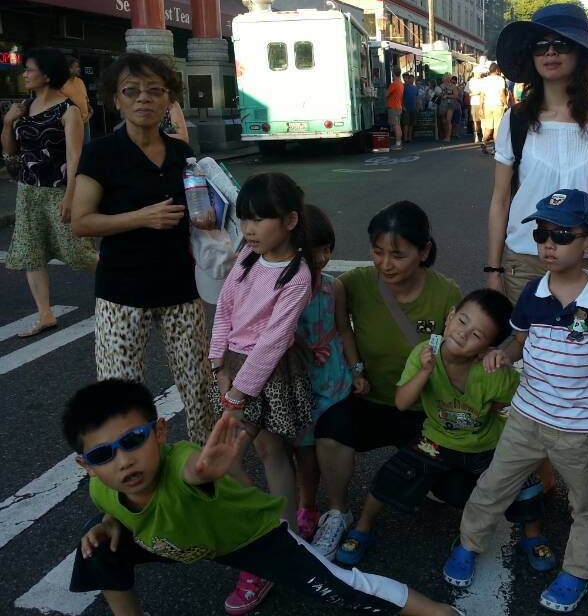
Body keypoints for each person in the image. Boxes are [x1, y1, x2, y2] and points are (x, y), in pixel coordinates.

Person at [64, 380, 463, 616]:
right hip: (184, 537)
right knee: (95, 545)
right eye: (103, 455)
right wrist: (109, 522)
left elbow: (191, 471)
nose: (124, 461)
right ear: (86, 466)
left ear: (160, 432)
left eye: (134, 440)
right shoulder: (103, 488)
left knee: (341, 588)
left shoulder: (182, 461)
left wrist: (202, 471)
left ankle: (438, 611)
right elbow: (108, 503)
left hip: (252, 538)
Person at [443, 189, 588, 614]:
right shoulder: (533, 293)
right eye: (542, 233)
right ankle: (468, 543)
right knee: (494, 485)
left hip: (575, 431)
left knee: (587, 506)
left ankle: (577, 572)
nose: (549, 243)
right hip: (525, 418)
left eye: (563, 235)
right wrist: (503, 354)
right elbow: (518, 341)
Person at [334, 289, 552, 573]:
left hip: (486, 445)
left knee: (525, 482)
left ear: (487, 349)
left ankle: (533, 535)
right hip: (436, 439)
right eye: (462, 321)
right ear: (450, 317)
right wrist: (425, 371)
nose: (463, 333)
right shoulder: (425, 353)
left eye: (476, 335)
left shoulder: (494, 372)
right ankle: (363, 528)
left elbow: (516, 401)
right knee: (393, 473)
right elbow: (401, 402)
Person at [71, 52, 215, 445]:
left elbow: (198, 210)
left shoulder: (181, 153)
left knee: (199, 386)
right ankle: (130, 473)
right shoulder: (101, 154)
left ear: (168, 99)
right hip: (122, 290)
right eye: (131, 91)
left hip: (181, 286)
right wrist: (141, 217)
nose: (143, 99)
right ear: (115, 99)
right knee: (119, 394)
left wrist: (209, 218)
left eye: (154, 90)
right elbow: (81, 222)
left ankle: (206, 465)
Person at [311, 201, 462, 559]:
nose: (385, 263)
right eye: (377, 252)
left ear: (424, 251)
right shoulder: (356, 283)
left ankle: (427, 474)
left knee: (454, 491)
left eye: (398, 254)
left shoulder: (446, 293)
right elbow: (326, 311)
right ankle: (338, 512)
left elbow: (456, 356)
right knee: (331, 428)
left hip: (422, 408)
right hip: (369, 400)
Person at [207, 172, 317, 612]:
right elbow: (224, 309)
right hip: (234, 369)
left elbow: (273, 341)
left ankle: (273, 541)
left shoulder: (298, 275)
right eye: (244, 219)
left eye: (259, 219)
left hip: (267, 373)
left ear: (290, 221)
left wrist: (237, 394)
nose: (248, 229)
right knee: (255, 453)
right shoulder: (247, 257)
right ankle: (275, 527)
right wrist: (218, 363)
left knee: (241, 455)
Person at [484, 2, 588, 304]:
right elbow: (501, 199)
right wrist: (493, 269)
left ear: (580, 53)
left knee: (583, 337)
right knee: (521, 336)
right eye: (540, 46)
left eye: (562, 44)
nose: (550, 53)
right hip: (525, 262)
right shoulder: (516, 120)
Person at [2, 48, 98, 338]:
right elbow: (10, 150)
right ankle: (45, 314)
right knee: (31, 252)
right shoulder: (24, 107)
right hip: (28, 191)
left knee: (79, 252)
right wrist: (7, 122)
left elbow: (75, 158)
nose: (25, 74)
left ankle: (128, 282)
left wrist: (71, 197)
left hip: (59, 190)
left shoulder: (68, 111)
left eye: (29, 69)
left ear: (46, 75)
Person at [291, 205, 354, 543]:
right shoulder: (285, 289)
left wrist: (356, 368)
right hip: (299, 375)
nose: (323, 258)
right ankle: (306, 503)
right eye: (314, 251)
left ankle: (335, 503)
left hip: (332, 373)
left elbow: (344, 329)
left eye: (327, 249)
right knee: (303, 446)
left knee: (329, 436)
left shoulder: (334, 288)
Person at [61, 57, 93, 144]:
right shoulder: (61, 84)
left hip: (85, 120)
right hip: (72, 123)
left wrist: (90, 108)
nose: (79, 69)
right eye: (76, 67)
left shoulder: (80, 81)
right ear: (69, 68)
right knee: (75, 147)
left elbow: (85, 97)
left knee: (87, 146)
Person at [478, 63, 508, 155]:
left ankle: (484, 142)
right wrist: (505, 104)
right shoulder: (500, 79)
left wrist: (480, 107)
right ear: (496, 70)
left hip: (487, 105)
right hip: (498, 105)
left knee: (488, 127)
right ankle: (495, 148)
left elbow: (482, 95)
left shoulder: (484, 80)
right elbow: (502, 94)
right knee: (497, 128)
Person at [437, 73, 459, 143]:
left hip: (450, 104)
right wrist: (440, 95)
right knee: (443, 121)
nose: (446, 79)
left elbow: (456, 96)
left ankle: (448, 137)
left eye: (448, 77)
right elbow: (439, 94)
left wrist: (447, 96)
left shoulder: (453, 86)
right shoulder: (441, 86)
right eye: (445, 78)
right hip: (442, 104)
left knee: (448, 120)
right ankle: (446, 134)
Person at [466, 66, 486, 142]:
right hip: (474, 103)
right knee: (475, 121)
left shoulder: (483, 81)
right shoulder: (470, 82)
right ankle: (476, 136)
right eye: (479, 73)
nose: (480, 74)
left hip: (482, 102)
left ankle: (483, 136)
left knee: (482, 120)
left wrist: (474, 93)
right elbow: (468, 93)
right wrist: (476, 93)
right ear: (475, 73)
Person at [387, 67, 404, 150]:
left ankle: (398, 144)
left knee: (396, 126)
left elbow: (386, 94)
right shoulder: (400, 83)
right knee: (398, 125)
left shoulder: (394, 84)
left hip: (393, 107)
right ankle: (399, 143)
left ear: (393, 73)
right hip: (398, 106)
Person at [402, 73, 419, 144]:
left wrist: (417, 106)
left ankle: (410, 137)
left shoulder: (415, 88)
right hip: (406, 108)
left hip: (413, 108)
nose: (412, 80)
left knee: (411, 124)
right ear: (408, 79)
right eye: (410, 79)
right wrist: (403, 106)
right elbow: (401, 98)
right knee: (406, 123)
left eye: (413, 79)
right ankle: (405, 138)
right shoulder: (404, 87)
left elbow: (417, 97)